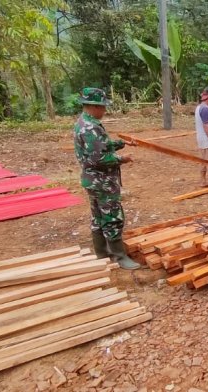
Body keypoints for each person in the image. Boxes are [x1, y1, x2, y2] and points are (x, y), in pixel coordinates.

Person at [72, 87, 141, 270]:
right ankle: (119, 256)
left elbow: (99, 147)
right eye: (102, 107)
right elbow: (100, 158)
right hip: (102, 181)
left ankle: (101, 252)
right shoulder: (92, 128)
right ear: (93, 106)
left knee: (98, 216)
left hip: (91, 180)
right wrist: (122, 159)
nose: (104, 111)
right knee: (112, 217)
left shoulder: (83, 123)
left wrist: (120, 143)